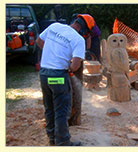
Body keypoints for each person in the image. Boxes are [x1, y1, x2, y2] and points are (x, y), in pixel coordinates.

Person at [36, 14, 95, 146]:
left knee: (49, 107)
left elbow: (39, 42)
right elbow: (75, 66)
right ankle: (62, 142)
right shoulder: (78, 40)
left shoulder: (54, 26)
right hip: (58, 78)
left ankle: (51, 137)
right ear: (84, 29)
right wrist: (67, 64)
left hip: (44, 75)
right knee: (61, 110)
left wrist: (52, 55)